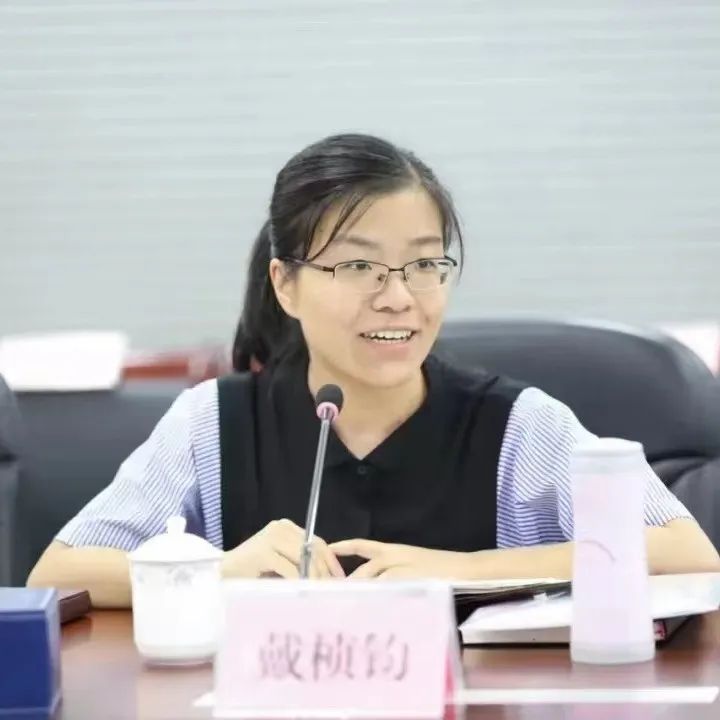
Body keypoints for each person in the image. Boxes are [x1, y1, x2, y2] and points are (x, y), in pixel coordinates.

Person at [28, 133, 719, 607]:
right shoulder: (211, 422)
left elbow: (689, 554)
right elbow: (55, 574)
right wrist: (215, 571)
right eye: (359, 265)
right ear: (286, 284)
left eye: (424, 263)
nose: (398, 296)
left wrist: (466, 571)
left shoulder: (520, 426)